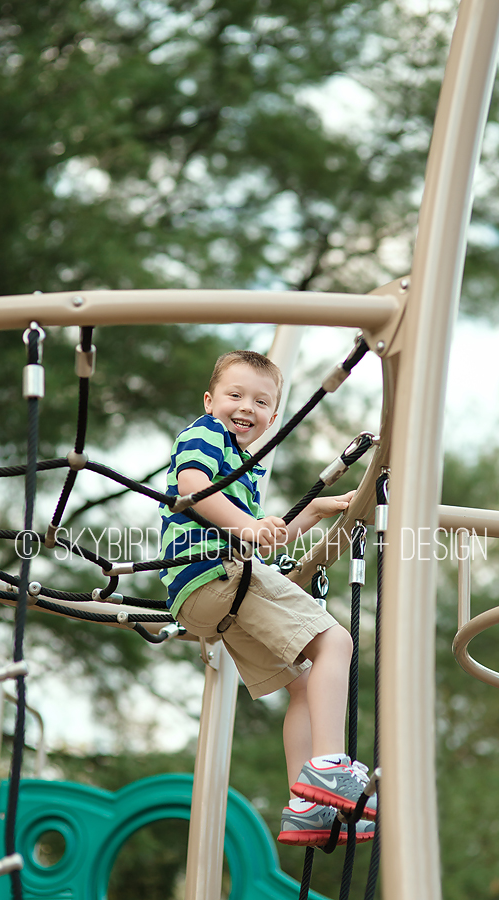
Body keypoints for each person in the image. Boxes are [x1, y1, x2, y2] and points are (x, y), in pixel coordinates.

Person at [160, 349, 375, 847]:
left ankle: (307, 807)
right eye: (234, 395)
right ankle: (328, 768)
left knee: (304, 683)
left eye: (260, 401)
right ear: (210, 400)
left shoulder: (245, 463)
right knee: (335, 643)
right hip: (214, 572)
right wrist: (250, 527)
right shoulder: (205, 433)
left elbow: (261, 535)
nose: (245, 407)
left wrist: (311, 513)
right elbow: (192, 486)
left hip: (208, 596)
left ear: (273, 417)